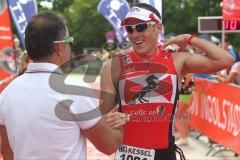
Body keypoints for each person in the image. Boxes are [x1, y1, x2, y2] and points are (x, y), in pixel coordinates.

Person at [100, 3, 233, 160]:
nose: (134, 34)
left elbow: (225, 60)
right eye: (130, 29)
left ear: (158, 28)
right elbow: (103, 120)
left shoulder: (177, 60)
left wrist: (188, 39)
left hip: (164, 154)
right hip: (127, 153)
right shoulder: (113, 66)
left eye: (141, 27)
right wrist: (110, 121)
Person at [0, 12, 129, 159]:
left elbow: (7, 152)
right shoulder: (74, 90)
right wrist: (118, 123)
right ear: (60, 47)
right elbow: (109, 145)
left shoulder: (7, 93)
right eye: (70, 41)